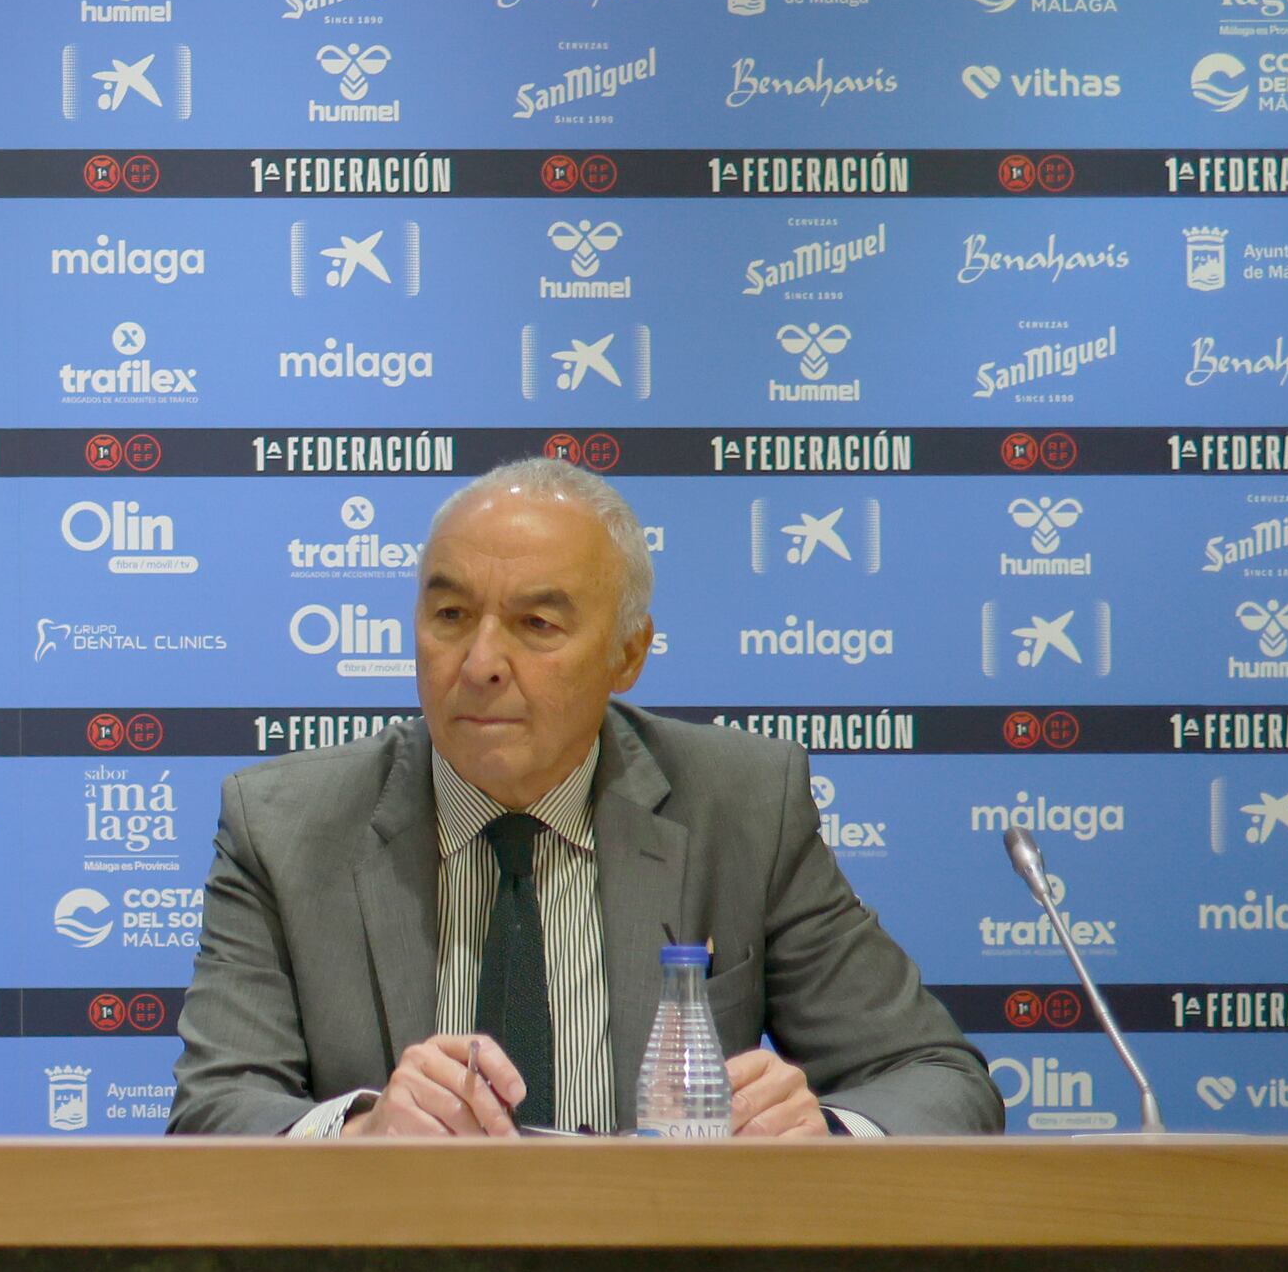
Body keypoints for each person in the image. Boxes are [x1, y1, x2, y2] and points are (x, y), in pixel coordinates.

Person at [171, 457, 997, 1139]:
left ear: (628, 655)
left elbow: (938, 1082)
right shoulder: (283, 826)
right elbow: (214, 1110)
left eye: (537, 626)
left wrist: (824, 1130)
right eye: (451, 613)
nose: (482, 661)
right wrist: (358, 1135)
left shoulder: (742, 806)